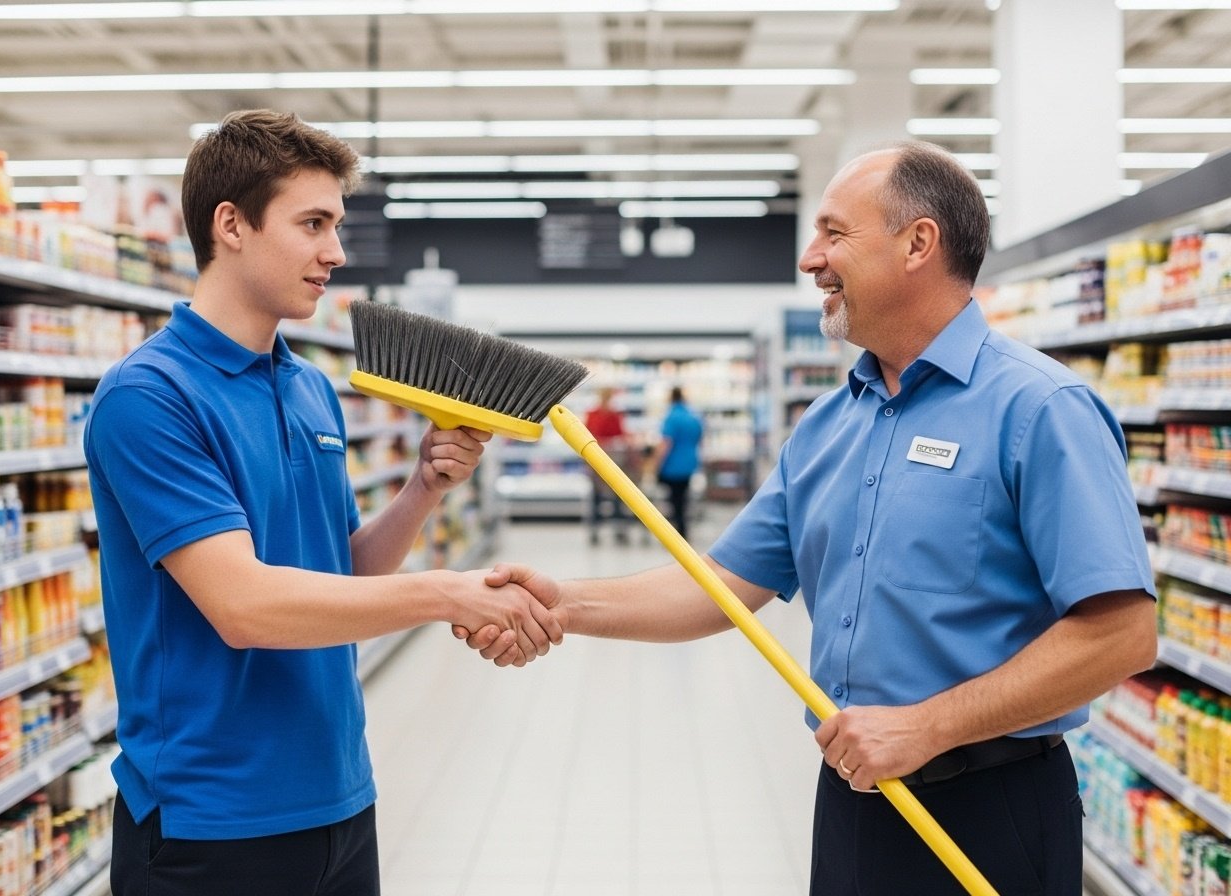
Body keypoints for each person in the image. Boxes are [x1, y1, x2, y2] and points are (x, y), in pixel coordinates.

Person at [460, 141, 1157, 895]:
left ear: (918, 243)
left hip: (992, 805)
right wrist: (564, 604)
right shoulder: (829, 426)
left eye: (833, 232)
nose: (809, 259)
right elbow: (722, 584)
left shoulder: (1039, 409)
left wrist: (927, 727)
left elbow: (1121, 633)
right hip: (854, 799)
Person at [84, 109, 561, 896]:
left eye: (335, 224)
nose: (335, 252)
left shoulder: (310, 387)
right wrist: (449, 594)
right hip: (213, 820)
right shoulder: (149, 397)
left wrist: (421, 492)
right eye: (312, 224)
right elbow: (244, 607)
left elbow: (344, 574)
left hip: (340, 796)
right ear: (230, 225)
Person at [583, 386, 632, 544]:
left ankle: (606, 530)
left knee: (606, 497)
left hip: (607, 461)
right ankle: (608, 530)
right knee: (607, 496)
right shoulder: (599, 415)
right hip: (605, 462)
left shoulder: (609, 415)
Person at [655, 385, 703, 539]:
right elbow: (699, 439)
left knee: (674, 500)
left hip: (673, 465)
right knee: (683, 499)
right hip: (689, 463)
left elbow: (666, 443)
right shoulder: (693, 417)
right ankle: (683, 530)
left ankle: (678, 533)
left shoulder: (672, 417)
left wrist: (656, 462)